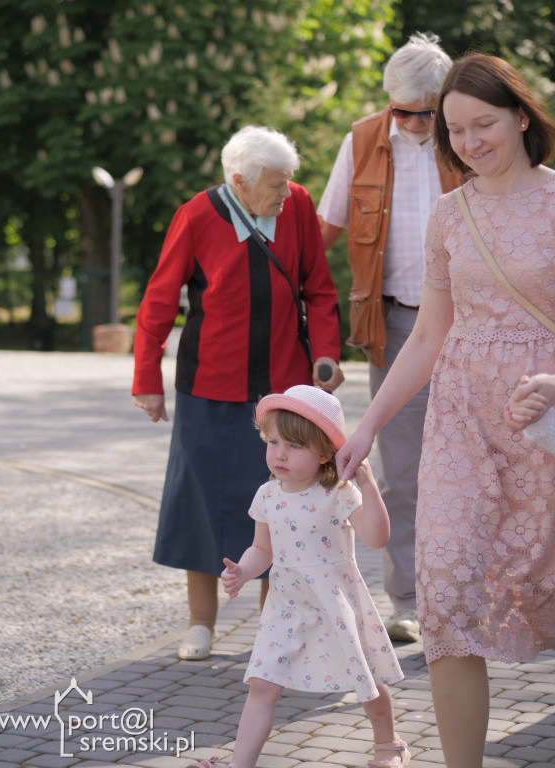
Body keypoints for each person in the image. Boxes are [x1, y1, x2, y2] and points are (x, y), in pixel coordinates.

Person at [336, 53, 555, 768]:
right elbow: (429, 333)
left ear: (522, 115)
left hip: (545, 430)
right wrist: (364, 426)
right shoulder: (448, 215)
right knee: (449, 587)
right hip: (462, 425)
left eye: (483, 124)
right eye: (454, 131)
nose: (469, 143)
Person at [132, 126, 343, 661]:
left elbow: (317, 286)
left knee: (286, 511)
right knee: (200, 505)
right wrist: (147, 380)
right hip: (209, 386)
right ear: (239, 182)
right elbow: (158, 302)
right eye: (274, 185)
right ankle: (201, 624)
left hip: (283, 388)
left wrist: (326, 353)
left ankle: (278, 625)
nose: (285, 193)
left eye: (288, 181)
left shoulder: (296, 205)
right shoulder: (197, 215)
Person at [317, 33, 464, 643]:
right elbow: (322, 229)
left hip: (475, 320)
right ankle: (406, 599)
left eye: (426, 111)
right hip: (398, 322)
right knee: (403, 471)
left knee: (478, 465)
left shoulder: (469, 134)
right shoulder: (361, 140)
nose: (413, 123)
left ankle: (471, 593)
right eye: (401, 111)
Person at [189, 385, 410, 768]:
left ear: (325, 452)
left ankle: (389, 745)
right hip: (287, 606)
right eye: (273, 442)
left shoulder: (339, 492)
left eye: (294, 446)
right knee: (261, 684)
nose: (279, 454)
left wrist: (368, 484)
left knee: (366, 681)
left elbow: (377, 538)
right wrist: (243, 570)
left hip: (334, 602)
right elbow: (263, 549)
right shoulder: (267, 495)